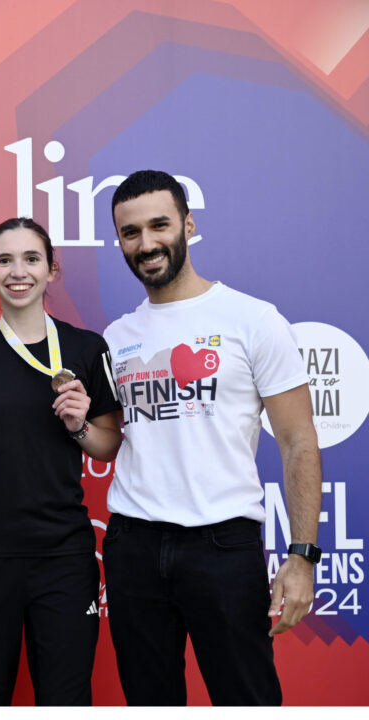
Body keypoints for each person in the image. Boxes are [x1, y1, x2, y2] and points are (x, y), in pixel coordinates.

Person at [103, 170, 322, 705]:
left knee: (246, 700)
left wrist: (302, 557)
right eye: (131, 232)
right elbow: (109, 438)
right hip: (133, 546)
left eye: (159, 225)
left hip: (222, 546)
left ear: (189, 225)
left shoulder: (253, 320)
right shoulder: (116, 337)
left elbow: (298, 441)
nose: (146, 243)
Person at [0, 217, 124, 705]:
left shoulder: (86, 347)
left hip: (63, 556)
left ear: (52, 269)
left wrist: (79, 425)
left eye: (31, 259)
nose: (18, 272)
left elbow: (108, 445)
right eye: (5, 261)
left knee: (66, 700)